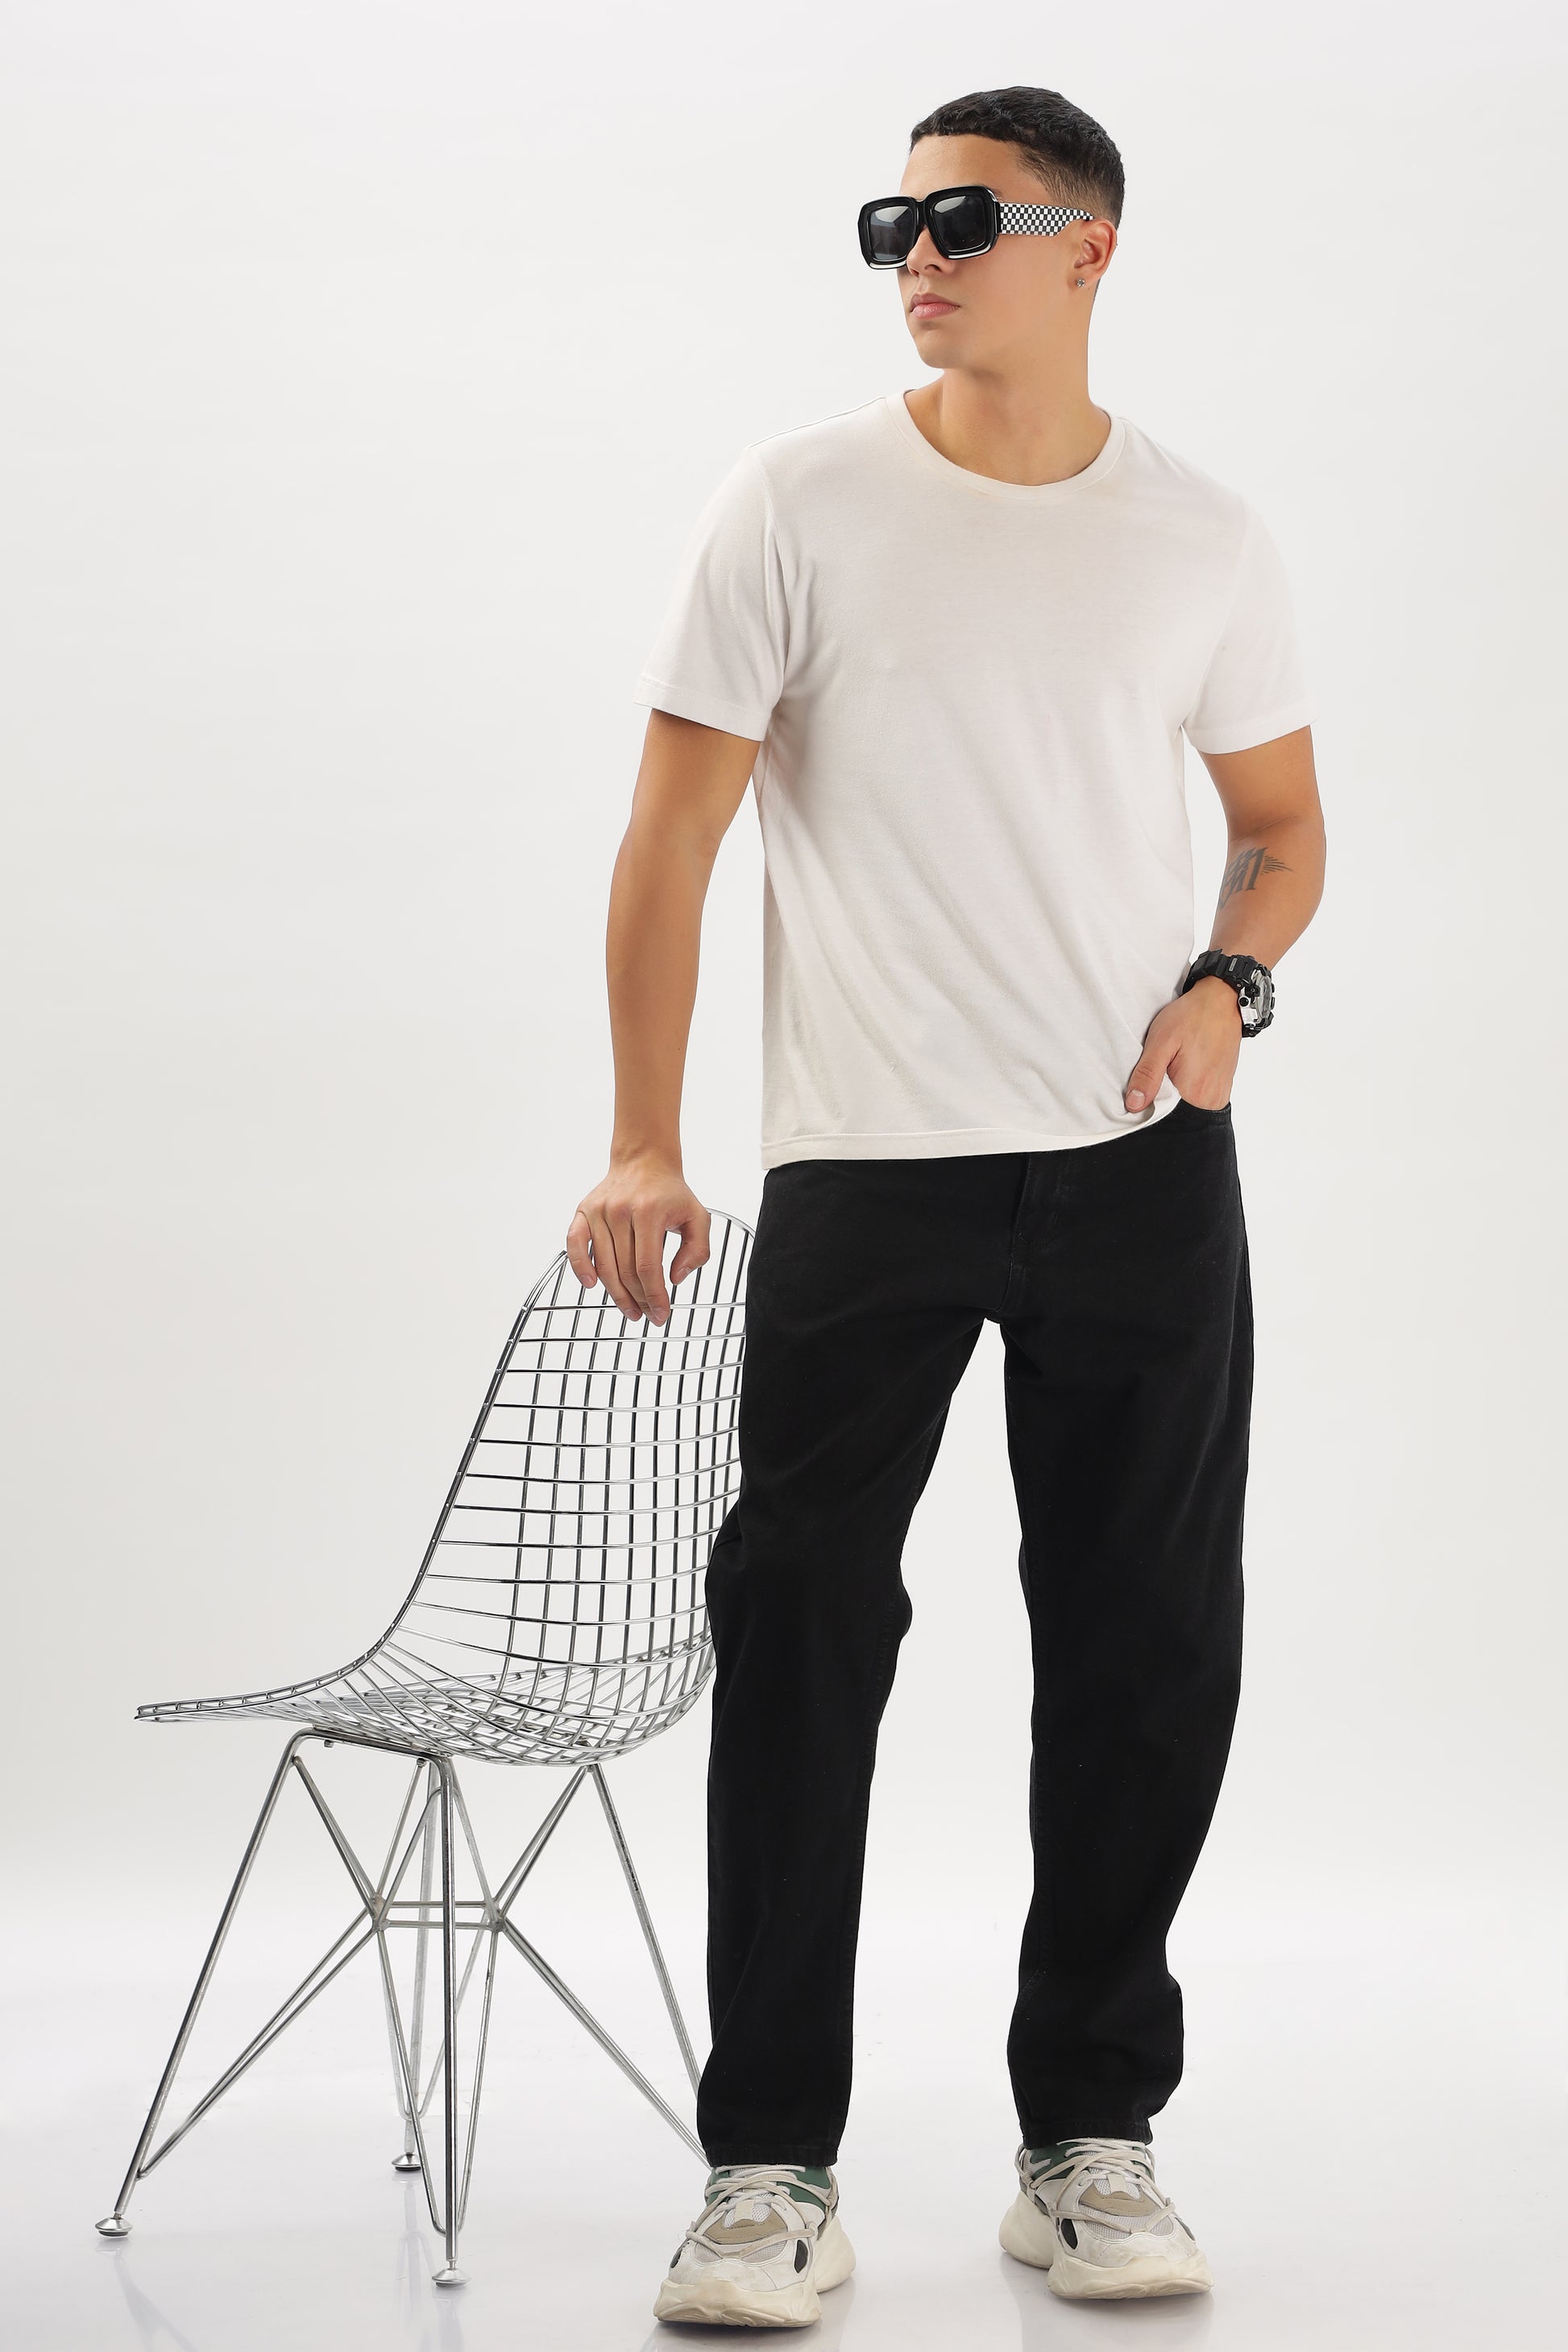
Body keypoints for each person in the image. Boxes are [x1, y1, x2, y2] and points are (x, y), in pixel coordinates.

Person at [566, 82, 1325, 2327]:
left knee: (1143, 1649)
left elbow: (1282, 828)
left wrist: (1227, 987)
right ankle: (765, 2170)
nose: (918, 251)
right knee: (803, 1637)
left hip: (1135, 1170)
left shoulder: (1200, 536)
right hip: (866, 1171)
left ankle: (1089, 2137)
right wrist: (640, 1138)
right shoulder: (797, 503)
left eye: (965, 218)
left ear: (1088, 249)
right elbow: (670, 837)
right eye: (893, 220)